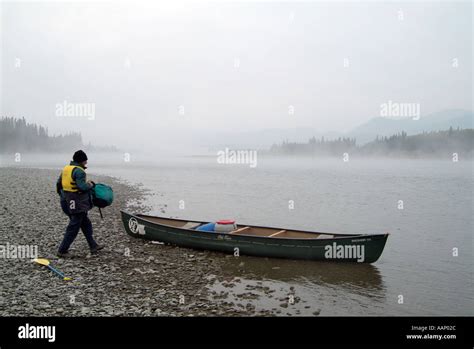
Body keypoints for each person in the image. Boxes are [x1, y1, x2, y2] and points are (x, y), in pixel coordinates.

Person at [56, 150, 103, 257]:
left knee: (85, 223)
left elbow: (58, 184)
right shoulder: (80, 171)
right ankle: (62, 250)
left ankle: (93, 245)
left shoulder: (66, 169)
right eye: (85, 160)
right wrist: (90, 185)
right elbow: (82, 187)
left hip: (65, 201)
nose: (86, 162)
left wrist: (63, 196)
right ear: (82, 160)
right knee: (74, 226)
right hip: (76, 203)